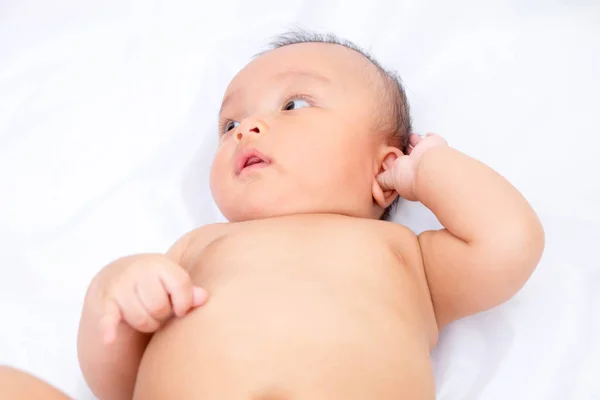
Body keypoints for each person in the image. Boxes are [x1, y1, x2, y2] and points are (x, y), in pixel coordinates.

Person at [73, 30, 541, 399]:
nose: (246, 130)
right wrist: (115, 291)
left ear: (385, 165)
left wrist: (431, 170)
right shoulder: (196, 249)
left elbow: (508, 242)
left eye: (294, 105)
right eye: (229, 124)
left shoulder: (409, 259)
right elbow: (119, 386)